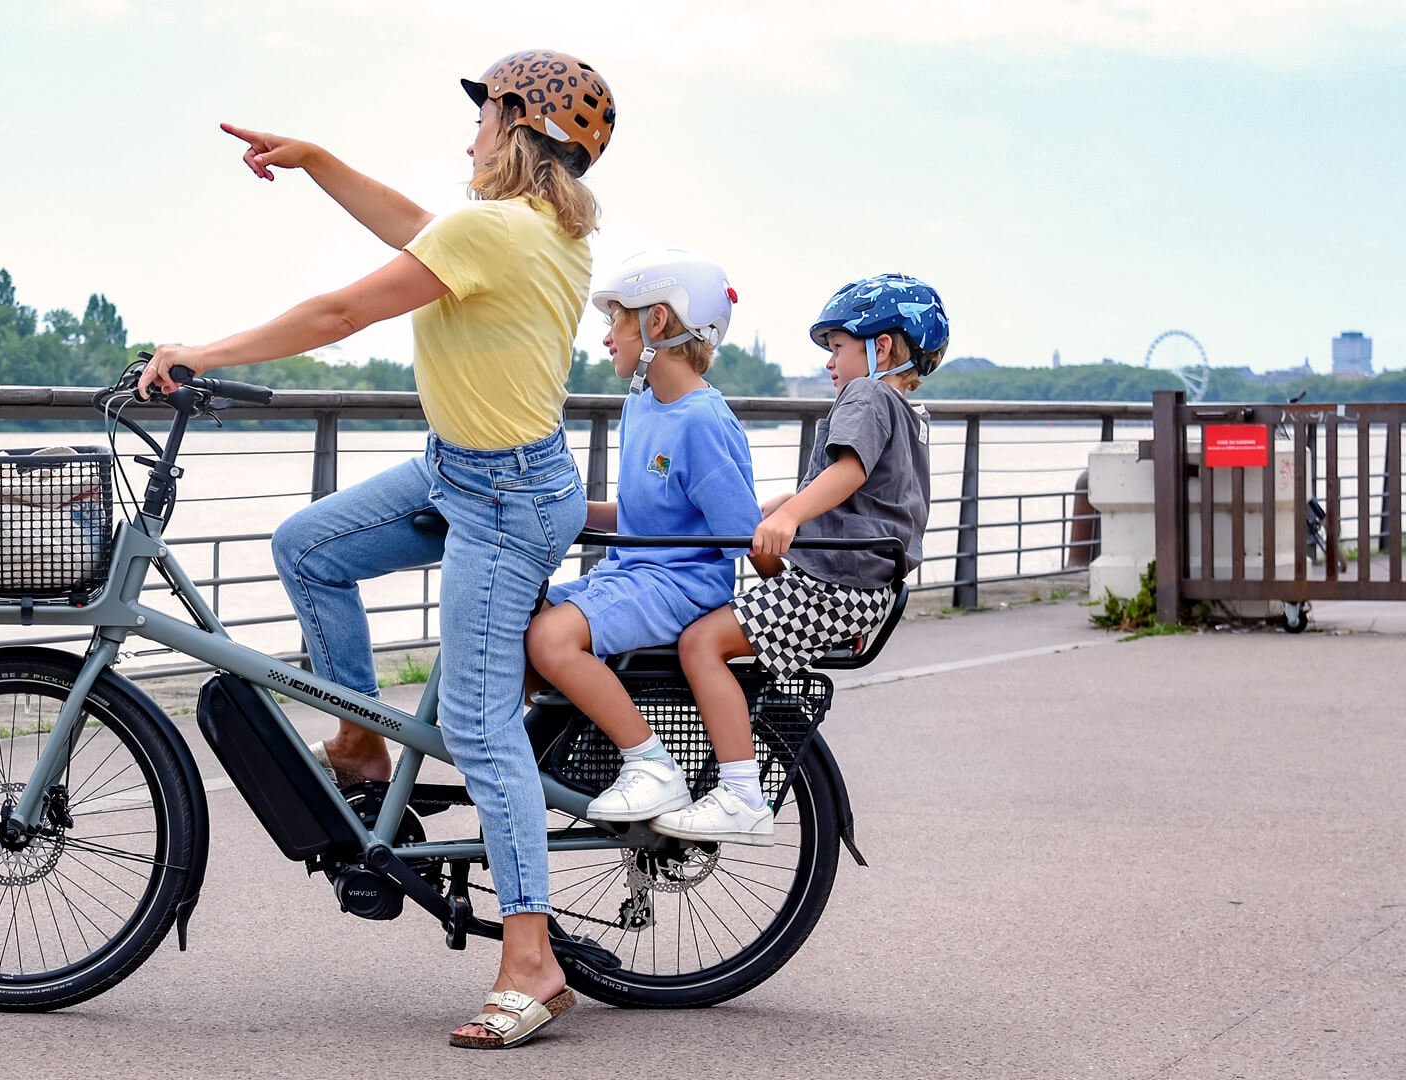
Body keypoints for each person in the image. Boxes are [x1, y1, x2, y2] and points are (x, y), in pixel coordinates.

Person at [137, 49, 616, 1050]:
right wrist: (322, 163)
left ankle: (532, 965)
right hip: (465, 467)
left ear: (520, 124)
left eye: (484, 111)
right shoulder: (535, 230)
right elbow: (418, 229)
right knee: (310, 545)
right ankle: (359, 742)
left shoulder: (496, 229)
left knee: (482, 725)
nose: (470, 130)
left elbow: (343, 310)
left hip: (503, 497)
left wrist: (200, 352)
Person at [659, 274, 947, 844]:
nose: (829, 363)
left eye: (836, 346)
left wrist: (785, 520)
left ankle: (741, 794)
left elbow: (847, 472)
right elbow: (822, 487)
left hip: (835, 588)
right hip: (859, 587)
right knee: (728, 616)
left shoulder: (866, 395)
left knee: (700, 643)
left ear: (880, 347)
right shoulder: (908, 412)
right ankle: (737, 756)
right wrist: (763, 514)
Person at [523, 250, 762, 825]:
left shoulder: (702, 420)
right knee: (516, 642)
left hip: (680, 585)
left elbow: (741, 534)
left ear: (657, 322)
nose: (606, 337)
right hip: (634, 573)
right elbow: (637, 517)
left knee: (552, 641)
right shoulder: (643, 404)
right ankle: (542, 774)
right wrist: (559, 511)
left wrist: (783, 607)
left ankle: (649, 762)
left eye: (615, 320)